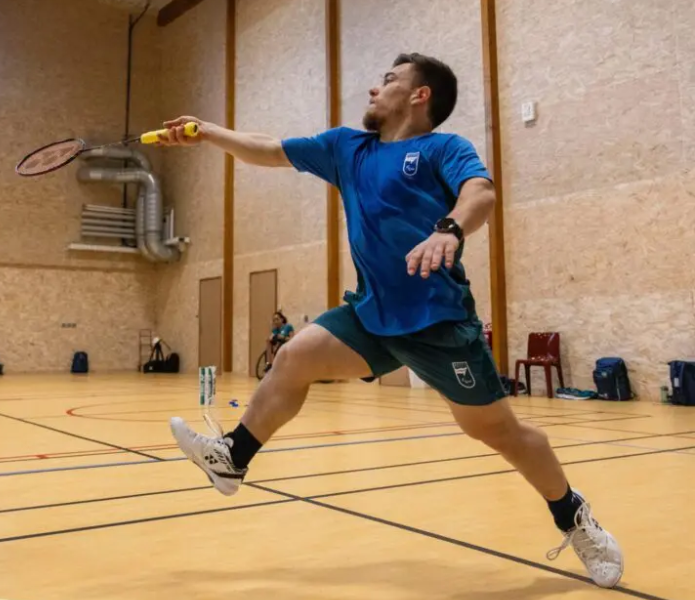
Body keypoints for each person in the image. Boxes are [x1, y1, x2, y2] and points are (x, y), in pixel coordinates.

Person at [157, 53, 622, 589]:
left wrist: (449, 229)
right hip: (371, 313)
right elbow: (270, 149)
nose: (375, 89)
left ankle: (574, 516)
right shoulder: (345, 148)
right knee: (295, 357)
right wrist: (209, 133)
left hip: (437, 322)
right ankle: (232, 459)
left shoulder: (442, 149)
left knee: (501, 434)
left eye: (389, 80)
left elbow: (481, 193)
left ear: (419, 96)